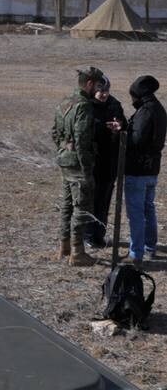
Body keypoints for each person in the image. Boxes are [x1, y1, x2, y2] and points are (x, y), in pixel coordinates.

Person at [52, 67, 107, 266]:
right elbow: (83, 139)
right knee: (80, 207)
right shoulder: (84, 105)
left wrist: (64, 149)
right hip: (78, 164)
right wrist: (86, 169)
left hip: (65, 161)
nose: (99, 89)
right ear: (90, 84)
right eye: (98, 85)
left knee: (66, 206)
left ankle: (64, 247)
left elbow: (55, 132)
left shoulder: (65, 101)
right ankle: (77, 253)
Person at [124, 75, 167, 268]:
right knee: (148, 208)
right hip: (152, 168)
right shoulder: (159, 109)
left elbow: (136, 141)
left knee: (136, 213)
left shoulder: (145, 112)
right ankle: (150, 247)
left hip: (138, 168)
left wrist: (121, 133)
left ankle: (136, 253)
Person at [86, 78, 126, 249]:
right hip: (92, 163)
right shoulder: (86, 106)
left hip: (109, 163)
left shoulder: (114, 105)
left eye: (106, 90)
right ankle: (87, 236)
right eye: (100, 90)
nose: (103, 94)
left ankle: (99, 236)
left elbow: (125, 126)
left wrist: (120, 127)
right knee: (90, 201)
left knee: (104, 201)